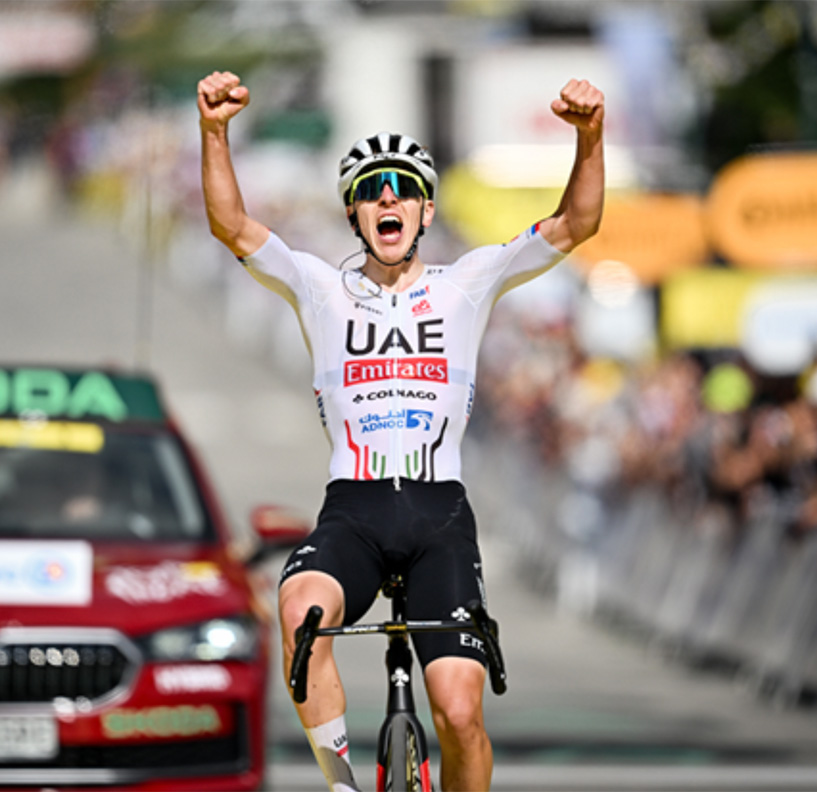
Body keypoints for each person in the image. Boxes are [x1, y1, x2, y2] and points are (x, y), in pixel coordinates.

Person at [198, 69, 604, 792]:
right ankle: (342, 787)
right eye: (372, 190)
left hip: (438, 514)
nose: (389, 197)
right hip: (353, 511)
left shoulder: (466, 282)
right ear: (354, 214)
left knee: (460, 712)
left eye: (405, 188)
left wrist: (590, 138)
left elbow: (576, 224)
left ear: (425, 211)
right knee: (298, 612)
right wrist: (214, 131)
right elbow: (232, 225)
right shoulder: (320, 287)